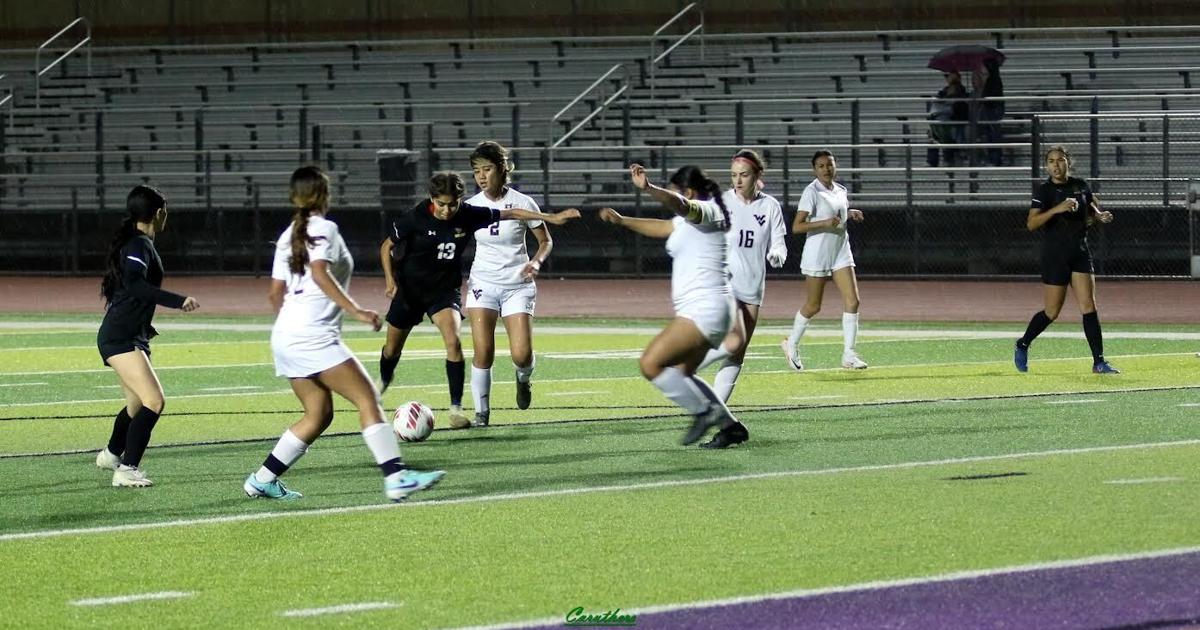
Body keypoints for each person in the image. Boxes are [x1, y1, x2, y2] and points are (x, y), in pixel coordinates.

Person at [244, 165, 444, 503]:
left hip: (286, 336)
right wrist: (356, 311)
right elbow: (320, 272)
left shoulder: (288, 234)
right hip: (312, 337)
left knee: (319, 414)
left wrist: (294, 325)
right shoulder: (325, 227)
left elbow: (274, 293)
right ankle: (397, 479)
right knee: (368, 399)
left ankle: (261, 479)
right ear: (324, 194)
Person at [378, 171, 579, 429]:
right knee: (392, 349)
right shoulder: (415, 216)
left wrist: (549, 217)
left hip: (443, 291)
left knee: (454, 342)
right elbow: (386, 246)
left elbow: (513, 213)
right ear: (432, 199)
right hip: (410, 290)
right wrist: (390, 280)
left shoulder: (469, 213)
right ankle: (384, 379)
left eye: (453, 204)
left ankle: (456, 408)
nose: (447, 210)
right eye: (442, 204)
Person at [598, 163, 745, 447]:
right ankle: (731, 428)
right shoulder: (687, 221)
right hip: (709, 308)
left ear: (689, 191)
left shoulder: (708, 211)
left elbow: (679, 206)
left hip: (705, 308)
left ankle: (705, 411)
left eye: (678, 190)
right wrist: (622, 220)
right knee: (682, 373)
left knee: (650, 363)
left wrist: (650, 189)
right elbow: (664, 226)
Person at [94, 185, 200, 488]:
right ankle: (128, 469)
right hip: (120, 337)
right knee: (155, 400)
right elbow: (135, 285)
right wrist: (177, 300)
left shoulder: (138, 243)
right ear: (158, 213)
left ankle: (112, 454)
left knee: (137, 405)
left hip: (129, 334)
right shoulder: (138, 245)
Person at [690, 149, 787, 448]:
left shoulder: (770, 207)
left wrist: (776, 254)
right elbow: (698, 221)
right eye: (734, 175)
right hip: (725, 286)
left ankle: (721, 423)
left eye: (743, 175)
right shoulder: (723, 203)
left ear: (758, 176)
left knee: (736, 354)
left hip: (753, 289)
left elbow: (780, 243)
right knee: (733, 341)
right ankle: (686, 368)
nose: (738, 180)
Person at [463, 141, 553, 427]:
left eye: (487, 169)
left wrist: (536, 262)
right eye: (477, 171)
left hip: (517, 284)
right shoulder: (471, 207)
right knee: (483, 351)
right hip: (483, 283)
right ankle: (481, 413)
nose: (481, 176)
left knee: (522, 354)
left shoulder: (523, 203)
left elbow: (545, 241)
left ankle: (523, 379)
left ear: (503, 169)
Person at [1014, 146, 1118, 374]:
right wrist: (1056, 209)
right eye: (1051, 161)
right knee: (1052, 312)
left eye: (1060, 160)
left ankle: (1098, 362)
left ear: (1068, 162)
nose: (1055, 165)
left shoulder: (1080, 184)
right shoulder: (1044, 191)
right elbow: (1031, 224)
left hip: (1080, 252)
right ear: (1046, 165)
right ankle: (1023, 343)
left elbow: (1090, 205)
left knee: (1089, 306)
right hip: (1055, 256)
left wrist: (1099, 215)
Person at [781, 150, 868, 371]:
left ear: (835, 166)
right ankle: (791, 344)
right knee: (813, 305)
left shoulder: (840, 190)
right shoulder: (811, 192)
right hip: (817, 253)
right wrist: (823, 223)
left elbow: (838, 215)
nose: (826, 169)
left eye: (829, 165)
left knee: (853, 301)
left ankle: (849, 354)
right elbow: (797, 226)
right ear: (814, 170)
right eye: (821, 166)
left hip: (840, 250)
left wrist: (850, 212)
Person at [927, 71, 969, 167]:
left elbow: (962, 111)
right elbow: (937, 106)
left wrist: (952, 105)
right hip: (943, 121)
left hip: (955, 122)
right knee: (932, 133)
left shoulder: (962, 92)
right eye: (945, 76)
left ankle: (950, 158)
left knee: (949, 132)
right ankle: (932, 161)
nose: (946, 78)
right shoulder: (943, 92)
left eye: (948, 75)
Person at [976, 59, 1005, 166]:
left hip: (993, 110)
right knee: (990, 135)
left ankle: (995, 159)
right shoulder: (993, 79)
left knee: (993, 135)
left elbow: (988, 96)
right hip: (991, 110)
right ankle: (993, 158)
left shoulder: (993, 80)